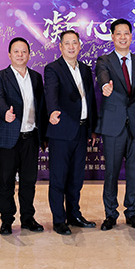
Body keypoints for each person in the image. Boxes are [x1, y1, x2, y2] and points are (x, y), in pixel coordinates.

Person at [95, 19, 135, 231]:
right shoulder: (104, 60)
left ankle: (132, 213)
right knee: (111, 172)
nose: (122, 37)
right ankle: (110, 214)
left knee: (134, 173)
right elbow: (102, 75)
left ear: (131, 36)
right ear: (112, 37)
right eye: (118, 33)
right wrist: (105, 86)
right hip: (113, 126)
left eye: (126, 33)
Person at [0, 37, 47, 235]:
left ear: (29, 55)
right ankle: (6, 220)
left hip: (31, 137)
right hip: (9, 138)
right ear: (9, 54)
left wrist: (44, 134)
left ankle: (28, 218)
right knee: (6, 181)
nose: (20, 55)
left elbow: (41, 106)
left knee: (28, 181)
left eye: (24, 51)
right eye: (16, 51)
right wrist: (4, 111)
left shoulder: (36, 77)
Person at [44, 30, 98, 235]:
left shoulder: (85, 69)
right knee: (59, 178)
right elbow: (51, 92)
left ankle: (74, 215)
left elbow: (90, 99)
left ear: (79, 46)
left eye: (74, 43)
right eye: (67, 43)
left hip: (82, 131)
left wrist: (92, 128)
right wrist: (52, 111)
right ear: (60, 46)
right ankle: (59, 220)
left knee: (76, 178)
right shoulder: (53, 68)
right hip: (62, 131)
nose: (71, 47)